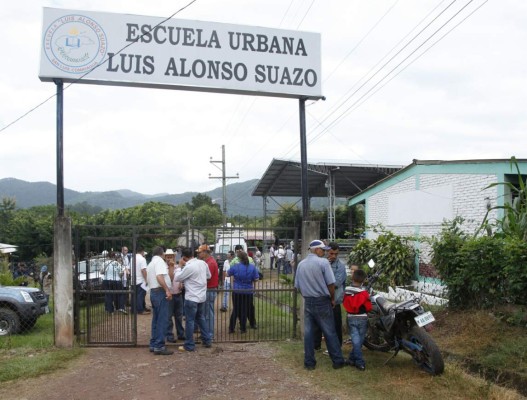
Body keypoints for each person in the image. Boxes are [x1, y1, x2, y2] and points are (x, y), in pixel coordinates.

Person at [294, 239, 347, 370]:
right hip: (322, 300)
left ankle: (309, 362)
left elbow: (298, 286)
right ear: (317, 250)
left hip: (308, 301)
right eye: (323, 250)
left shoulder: (301, 264)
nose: (325, 252)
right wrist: (333, 299)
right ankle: (338, 361)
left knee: (309, 333)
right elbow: (331, 284)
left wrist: (307, 294)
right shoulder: (323, 263)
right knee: (330, 331)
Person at [175, 247, 212, 351]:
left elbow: (177, 277)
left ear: (184, 257)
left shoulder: (188, 267)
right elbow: (209, 276)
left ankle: (189, 344)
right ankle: (207, 340)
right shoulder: (202, 263)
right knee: (201, 318)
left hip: (191, 297)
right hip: (201, 296)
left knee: (190, 321)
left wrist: (179, 266)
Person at [314, 242, 347, 351]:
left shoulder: (340, 266)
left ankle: (337, 346)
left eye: (336, 254)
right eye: (331, 253)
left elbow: (336, 283)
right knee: (318, 323)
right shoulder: (321, 263)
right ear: (327, 251)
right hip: (322, 298)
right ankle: (316, 345)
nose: (333, 256)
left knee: (336, 325)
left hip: (335, 300)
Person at [342, 268, 372, 371]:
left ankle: (351, 359)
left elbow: (344, 303)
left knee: (355, 340)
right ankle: (360, 362)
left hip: (351, 317)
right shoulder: (364, 293)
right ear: (363, 280)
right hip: (362, 318)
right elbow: (368, 307)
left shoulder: (347, 291)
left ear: (352, 277)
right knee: (359, 340)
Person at [146, 246, 173, 355]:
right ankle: (159, 346)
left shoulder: (151, 263)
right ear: (162, 254)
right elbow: (159, 277)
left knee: (156, 319)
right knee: (162, 319)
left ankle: (153, 343)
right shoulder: (160, 262)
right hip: (160, 292)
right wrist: (167, 290)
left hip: (154, 291)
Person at [228, 251, 259, 334]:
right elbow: (256, 278)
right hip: (248, 291)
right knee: (245, 309)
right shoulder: (252, 267)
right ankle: (243, 328)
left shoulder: (235, 266)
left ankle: (231, 328)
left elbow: (228, 274)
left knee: (236, 309)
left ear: (239, 258)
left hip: (237, 290)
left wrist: (234, 280)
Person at [196, 244, 219, 342]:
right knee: (205, 313)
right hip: (208, 289)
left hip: (209, 290)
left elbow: (207, 278)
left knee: (208, 314)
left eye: (200, 252)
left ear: (205, 252)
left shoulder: (210, 263)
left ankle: (209, 334)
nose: (198, 254)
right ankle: (206, 333)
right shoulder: (208, 262)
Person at [165, 249, 184, 343]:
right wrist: (171, 267)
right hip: (170, 295)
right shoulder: (164, 267)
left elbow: (180, 277)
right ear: (165, 258)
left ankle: (181, 334)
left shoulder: (177, 267)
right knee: (168, 317)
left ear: (174, 257)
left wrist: (181, 283)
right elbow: (170, 278)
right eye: (168, 257)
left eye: (171, 256)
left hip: (178, 294)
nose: (169, 258)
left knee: (179, 316)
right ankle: (169, 335)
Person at [133, 245, 149, 314]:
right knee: (140, 296)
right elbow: (143, 270)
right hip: (140, 280)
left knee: (134, 295)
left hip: (133, 280)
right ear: (142, 251)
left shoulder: (132, 258)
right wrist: (146, 280)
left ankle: (134, 309)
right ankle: (140, 310)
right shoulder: (142, 259)